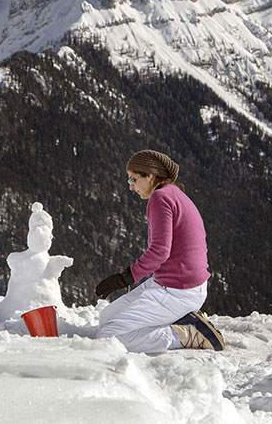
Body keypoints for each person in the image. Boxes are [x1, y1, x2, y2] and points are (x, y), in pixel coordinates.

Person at [94, 150, 225, 353]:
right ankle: (177, 319)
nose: (131, 186)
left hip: (178, 291)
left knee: (108, 337)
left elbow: (160, 251)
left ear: (151, 176)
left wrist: (125, 278)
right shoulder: (174, 194)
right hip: (173, 284)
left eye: (133, 179)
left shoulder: (160, 198)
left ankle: (186, 334)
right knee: (106, 319)